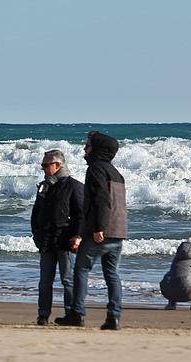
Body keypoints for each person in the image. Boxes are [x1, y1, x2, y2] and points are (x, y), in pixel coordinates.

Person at [55, 131, 127, 330]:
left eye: (88, 146)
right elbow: (118, 205)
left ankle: (77, 314)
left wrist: (98, 228)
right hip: (118, 232)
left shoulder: (96, 169)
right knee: (112, 274)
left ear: (98, 150)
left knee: (81, 270)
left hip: (100, 232)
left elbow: (101, 200)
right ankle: (114, 317)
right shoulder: (116, 173)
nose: (84, 150)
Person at [31, 150, 83, 326]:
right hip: (46, 240)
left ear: (58, 165)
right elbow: (36, 213)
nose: (43, 168)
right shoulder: (45, 186)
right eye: (43, 165)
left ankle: (72, 314)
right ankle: (43, 315)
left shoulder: (73, 186)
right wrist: (36, 235)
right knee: (45, 281)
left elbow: (81, 215)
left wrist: (78, 236)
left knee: (67, 279)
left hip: (65, 241)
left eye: (46, 165)